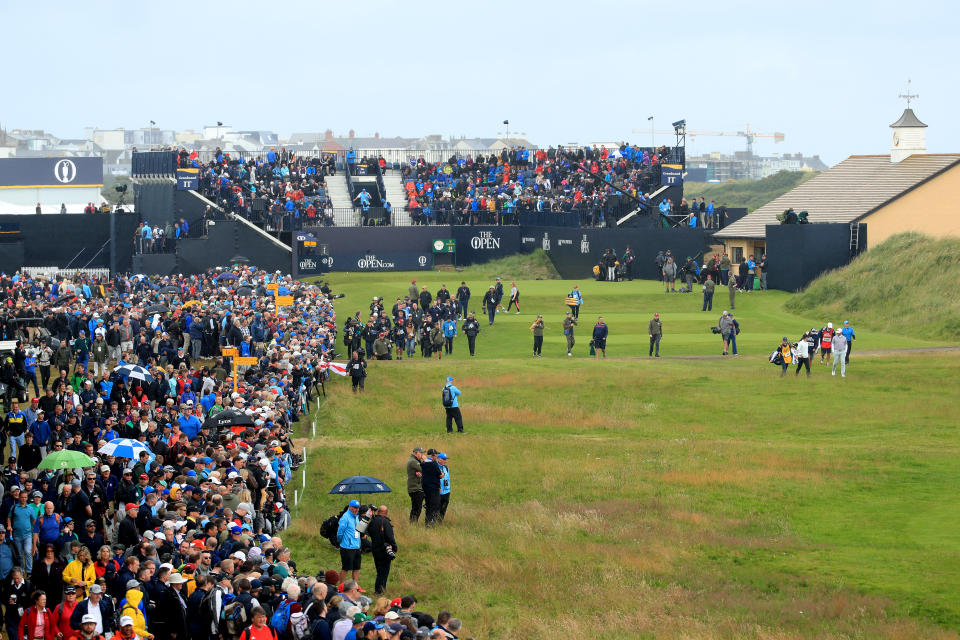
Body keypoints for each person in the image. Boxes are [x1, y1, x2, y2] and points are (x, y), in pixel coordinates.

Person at [367, 506, 396, 595]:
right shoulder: (386, 522)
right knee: (384, 572)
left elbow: (369, 533)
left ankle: (380, 589)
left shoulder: (373, 521)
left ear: (378, 511)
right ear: (386, 512)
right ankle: (379, 590)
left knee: (379, 570)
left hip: (375, 549)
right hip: (384, 550)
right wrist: (394, 548)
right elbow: (390, 537)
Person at [336, 500, 362, 583]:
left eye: (358, 508)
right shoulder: (345, 517)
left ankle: (355, 586)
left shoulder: (356, 517)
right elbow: (340, 533)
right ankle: (341, 587)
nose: (356, 509)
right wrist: (341, 542)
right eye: (354, 508)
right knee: (346, 568)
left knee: (356, 568)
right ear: (350, 507)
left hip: (356, 546)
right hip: (347, 547)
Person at [420, 450, 443, 527]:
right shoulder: (434, 464)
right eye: (436, 456)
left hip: (426, 488)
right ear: (433, 456)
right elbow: (439, 475)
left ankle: (427, 522)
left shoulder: (423, 464)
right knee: (435, 505)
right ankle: (431, 523)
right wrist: (442, 474)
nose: (437, 457)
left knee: (429, 506)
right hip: (434, 488)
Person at [406, 447, 425, 525]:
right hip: (415, 488)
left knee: (417, 508)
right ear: (415, 453)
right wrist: (426, 460)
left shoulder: (416, 460)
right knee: (416, 508)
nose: (422, 455)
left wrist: (422, 474)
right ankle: (413, 524)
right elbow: (425, 469)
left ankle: (413, 524)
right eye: (421, 453)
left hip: (417, 488)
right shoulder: (413, 461)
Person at [437, 453, 451, 522]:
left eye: (446, 459)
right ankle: (434, 523)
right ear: (439, 459)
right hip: (438, 492)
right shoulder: (435, 467)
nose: (445, 461)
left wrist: (449, 489)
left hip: (446, 492)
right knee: (437, 509)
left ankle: (440, 522)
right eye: (444, 459)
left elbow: (448, 479)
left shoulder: (446, 468)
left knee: (443, 509)